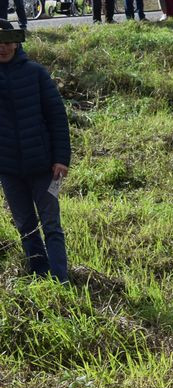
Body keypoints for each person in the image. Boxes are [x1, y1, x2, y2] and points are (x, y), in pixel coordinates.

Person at [0, 22, 71, 284]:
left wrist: (61, 158)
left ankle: (61, 280)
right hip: (9, 170)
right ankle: (41, 277)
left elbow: (57, 117)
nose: (3, 47)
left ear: (17, 42)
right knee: (26, 227)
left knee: (51, 225)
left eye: (8, 41)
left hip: (44, 166)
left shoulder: (36, 73)